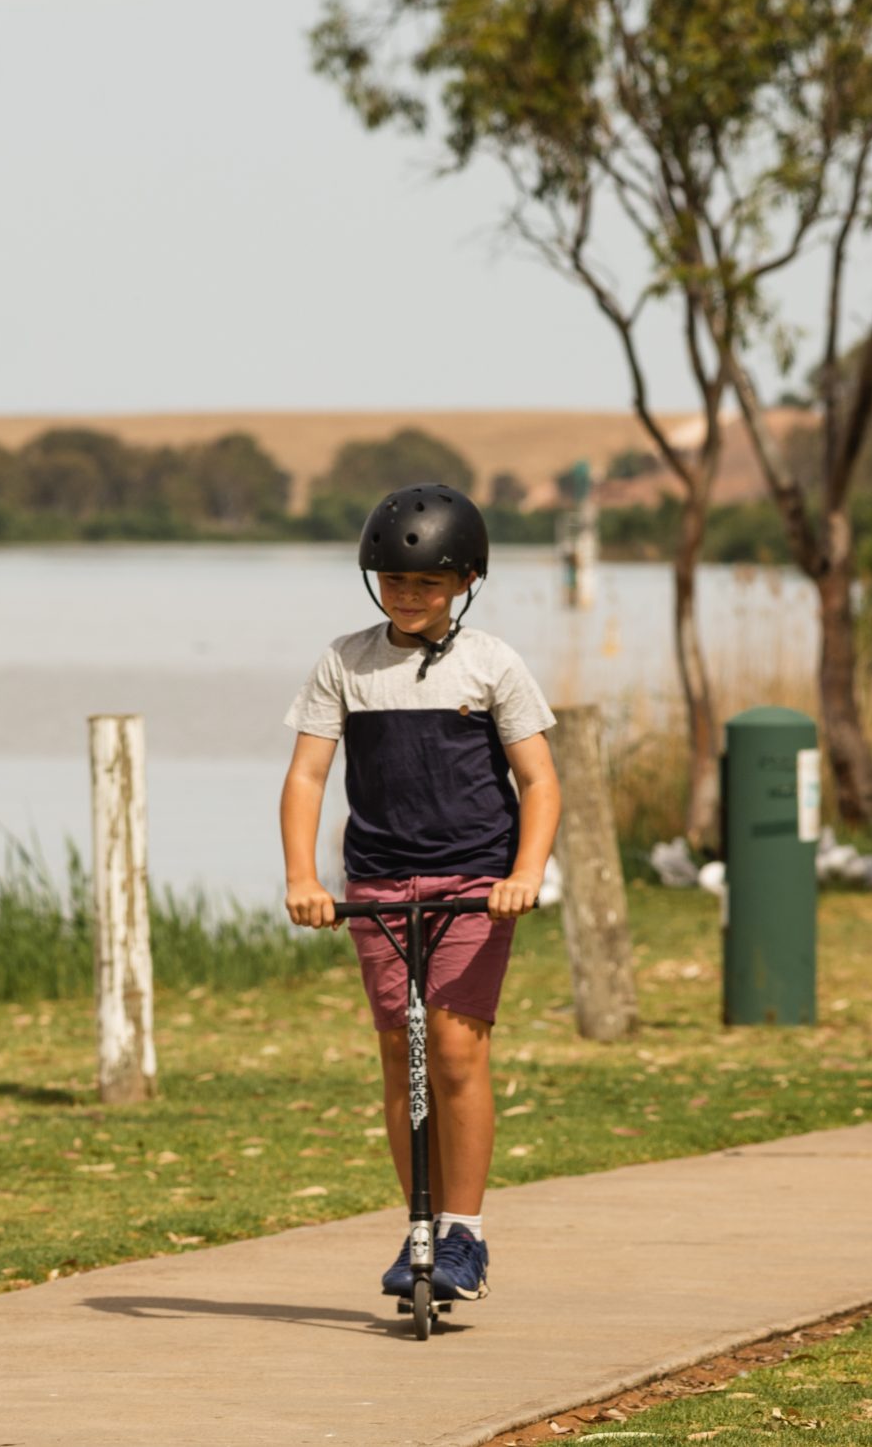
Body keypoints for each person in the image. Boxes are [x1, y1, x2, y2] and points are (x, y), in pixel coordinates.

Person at [278, 482, 561, 1306]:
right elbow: (306, 775)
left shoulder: (493, 663)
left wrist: (524, 875)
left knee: (456, 1048)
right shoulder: (345, 661)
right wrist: (304, 877)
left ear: (465, 581)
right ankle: (421, 1228)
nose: (408, 596)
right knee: (402, 1060)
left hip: (474, 883)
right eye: (396, 582)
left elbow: (539, 781)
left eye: (428, 584)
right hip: (378, 881)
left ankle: (465, 1229)